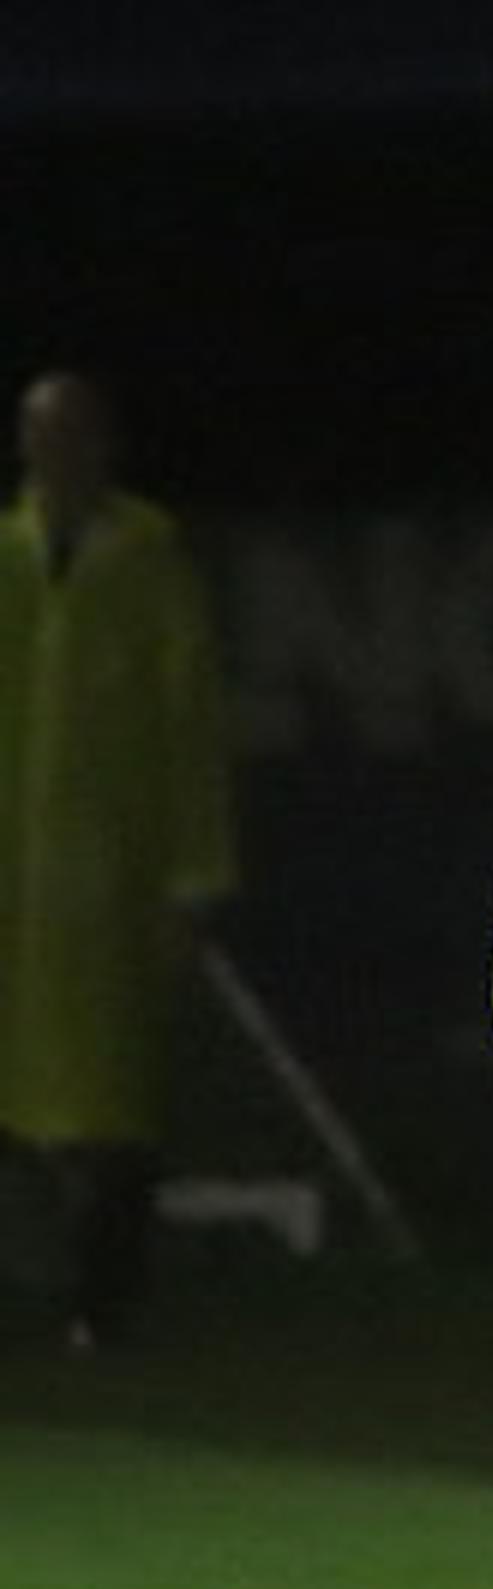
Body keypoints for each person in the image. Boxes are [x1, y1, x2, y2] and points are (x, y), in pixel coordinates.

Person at [0, 370, 237, 1349]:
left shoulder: (149, 562)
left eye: (75, 437)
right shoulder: (6, 555)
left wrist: (191, 881)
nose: (57, 457)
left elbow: (189, 729)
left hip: (111, 882)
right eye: (42, 438)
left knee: (111, 1101)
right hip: (14, 881)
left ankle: (103, 1305)